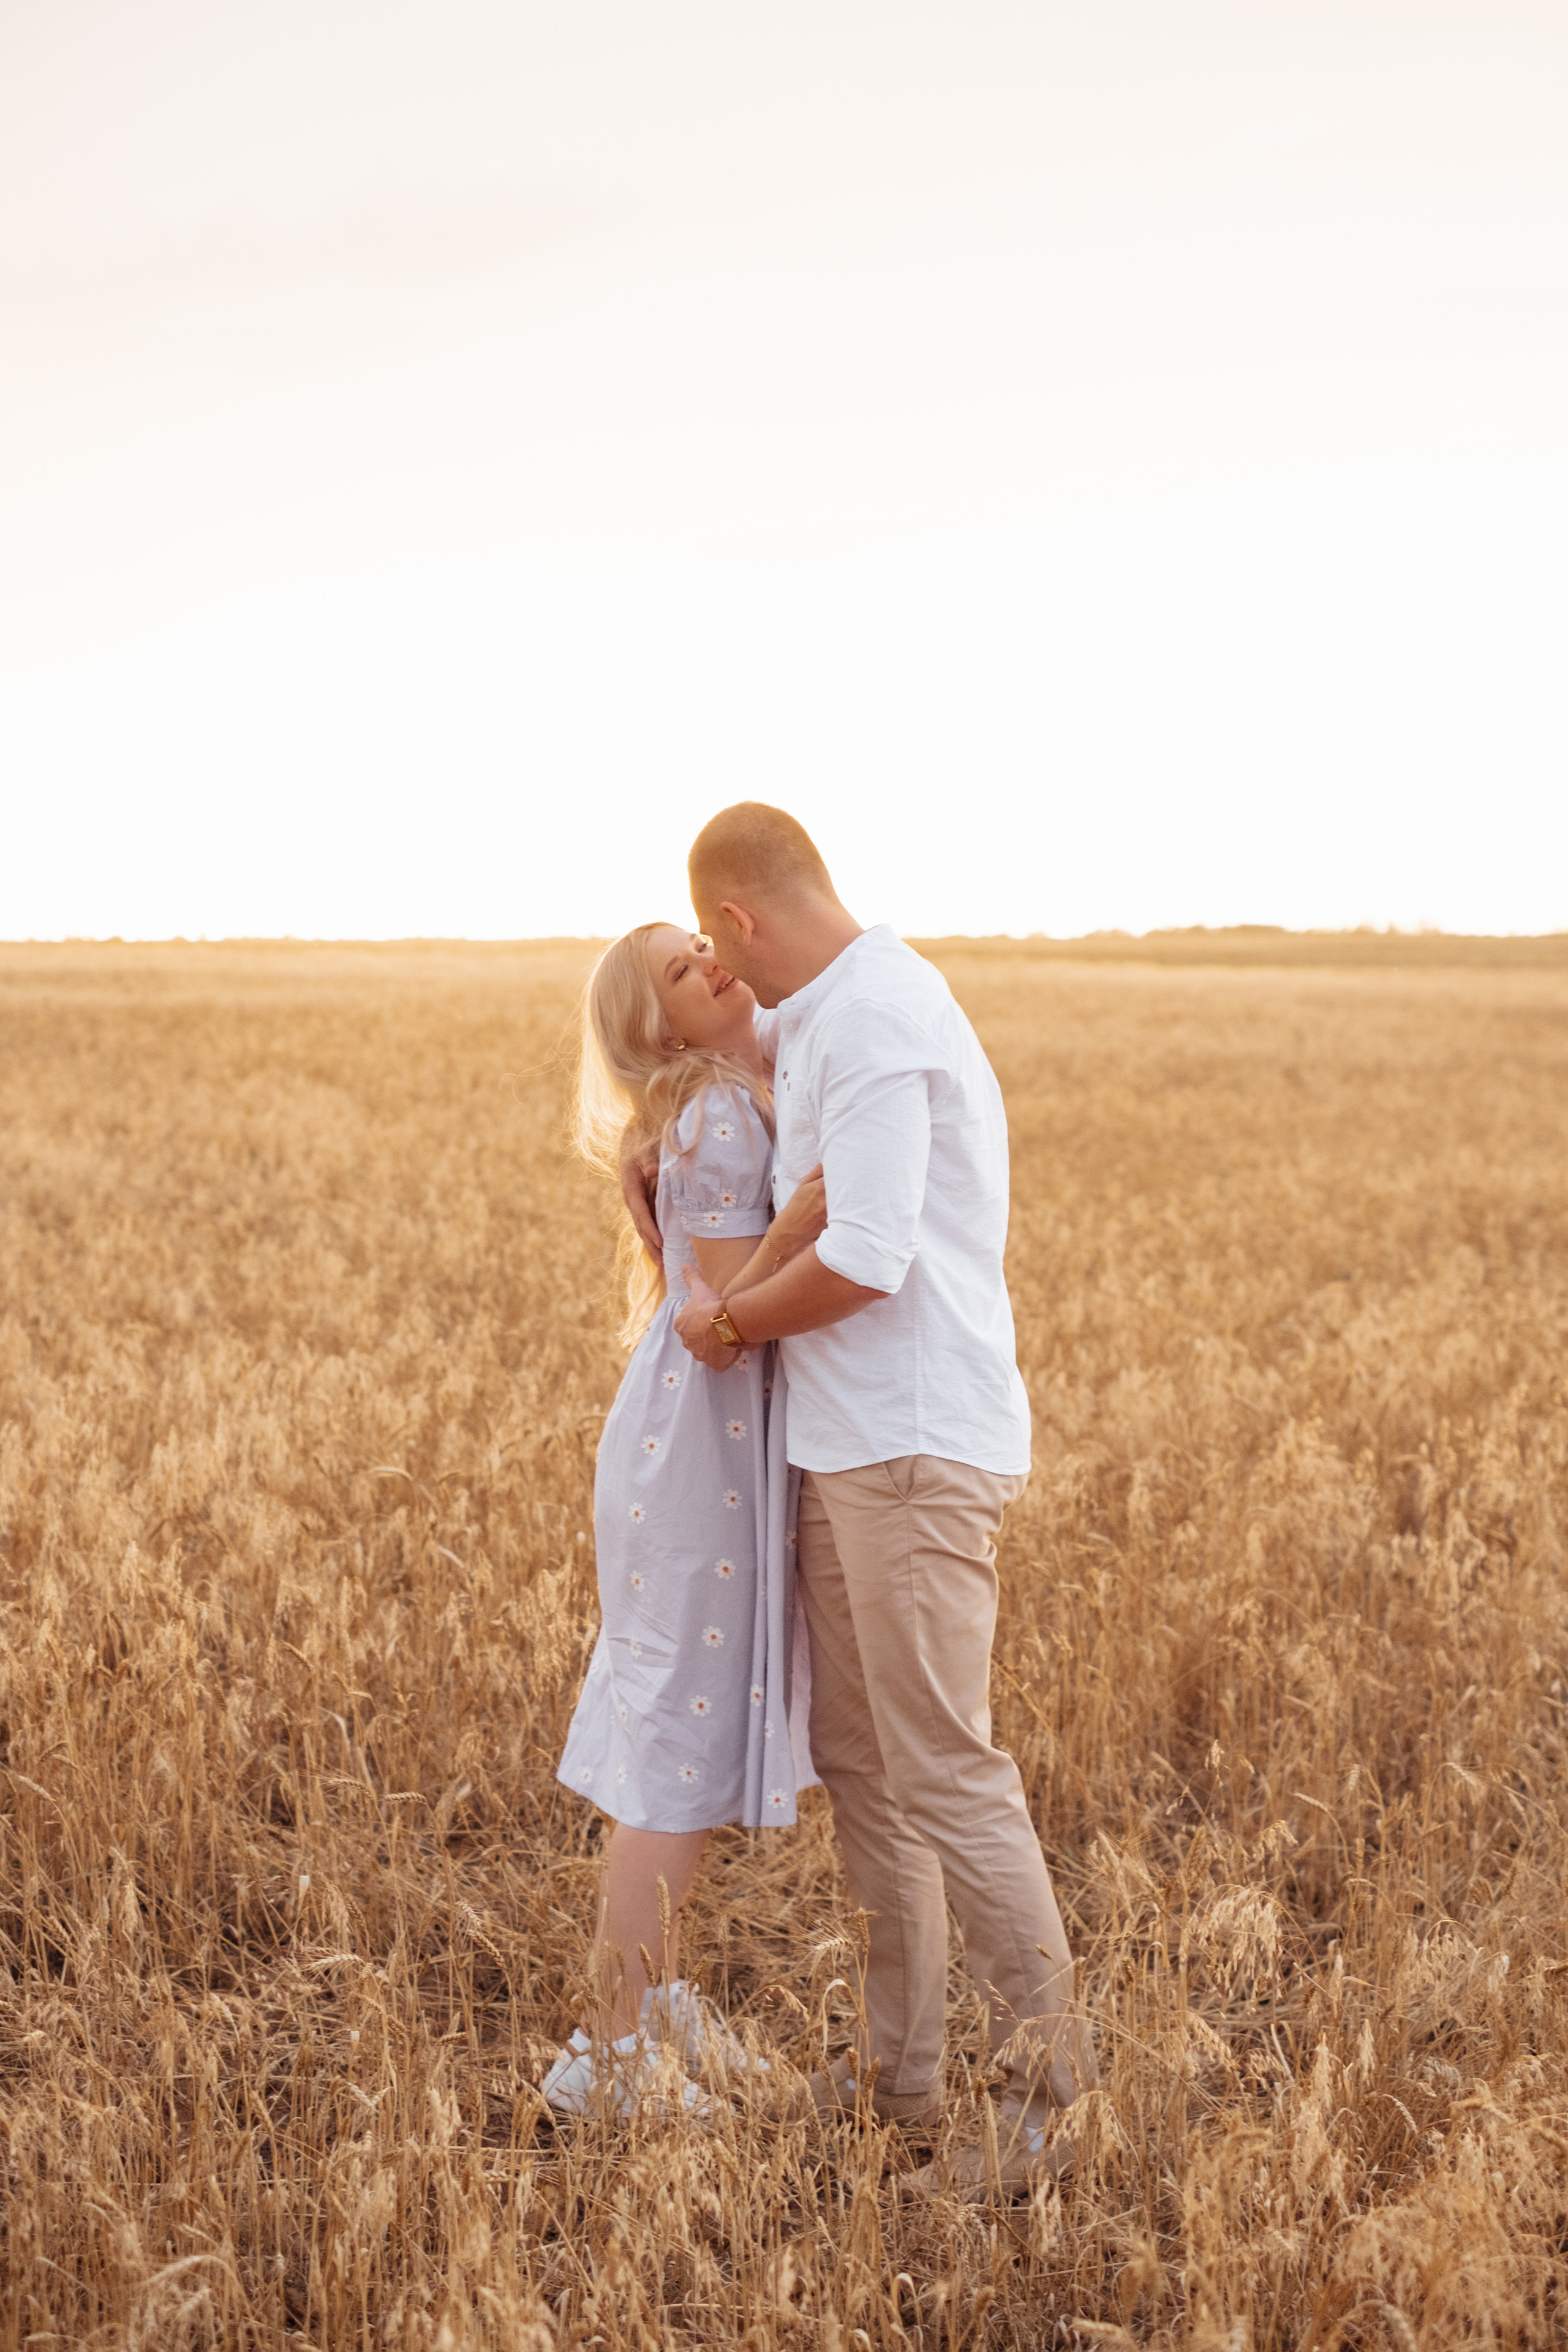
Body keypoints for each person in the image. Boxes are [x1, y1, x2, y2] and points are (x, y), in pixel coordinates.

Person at [660, 802, 1098, 2197]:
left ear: (737, 921)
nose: (730, 981)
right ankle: (898, 2079)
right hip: (848, 1451)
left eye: (720, 951)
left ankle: (1047, 2111)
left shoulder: (877, 1014)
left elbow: (869, 1255)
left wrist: (728, 1328)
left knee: (947, 1772)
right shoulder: (828, 1016)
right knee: (870, 1775)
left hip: (912, 1447)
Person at [541, 921, 826, 2120]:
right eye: (679, 968)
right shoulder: (710, 1115)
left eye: (705, 942)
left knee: (692, 1741)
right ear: (656, 1027)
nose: (710, 960)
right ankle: (603, 2055)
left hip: (708, 1451)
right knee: (674, 1751)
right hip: (699, 1452)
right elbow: (729, 1310)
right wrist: (813, 1216)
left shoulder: (722, 1098)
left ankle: (652, 2008)